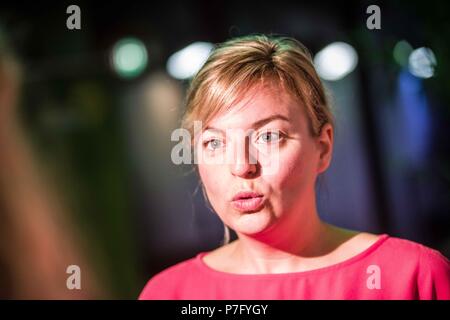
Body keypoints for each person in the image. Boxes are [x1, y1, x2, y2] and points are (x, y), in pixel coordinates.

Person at [139, 34, 450, 300]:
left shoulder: (410, 277)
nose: (242, 165)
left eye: (269, 136)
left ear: (322, 147)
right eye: (214, 143)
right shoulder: (171, 293)